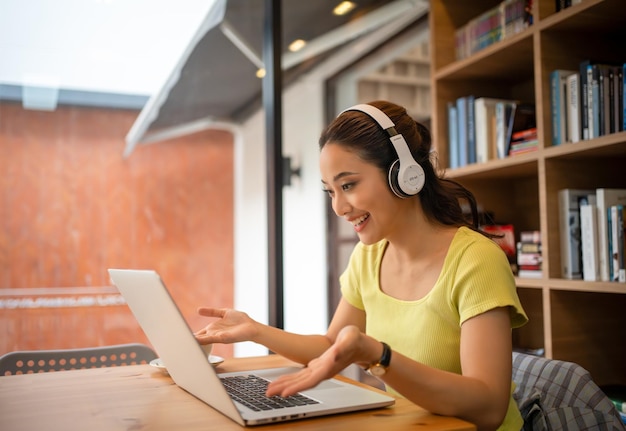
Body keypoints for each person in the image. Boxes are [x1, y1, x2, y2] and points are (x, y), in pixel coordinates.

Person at [195, 100, 528, 431]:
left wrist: (378, 355)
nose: (339, 207)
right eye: (330, 191)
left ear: (404, 174)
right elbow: (331, 347)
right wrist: (255, 330)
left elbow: (489, 408)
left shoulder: (476, 260)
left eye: (348, 185)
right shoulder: (368, 258)